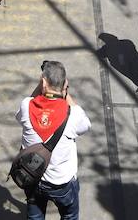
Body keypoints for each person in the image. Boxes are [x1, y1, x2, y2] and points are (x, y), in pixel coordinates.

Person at [15, 60, 91, 220]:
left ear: (43, 82)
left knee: (35, 217)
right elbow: (86, 125)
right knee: (69, 216)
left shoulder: (26, 106)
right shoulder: (73, 116)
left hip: (32, 176)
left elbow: (21, 114)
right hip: (61, 183)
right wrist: (65, 91)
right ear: (65, 85)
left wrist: (41, 86)